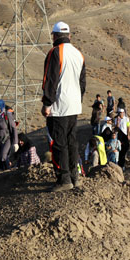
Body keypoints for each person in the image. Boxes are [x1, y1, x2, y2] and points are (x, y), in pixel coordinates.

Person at [41, 21, 86, 192]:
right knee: (71, 140)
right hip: (74, 104)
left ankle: (64, 178)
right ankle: (75, 176)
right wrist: (77, 99)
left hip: (59, 105)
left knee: (58, 142)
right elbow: (82, 83)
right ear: (69, 36)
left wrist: (47, 103)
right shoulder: (78, 54)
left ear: (54, 36)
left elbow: (50, 80)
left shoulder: (55, 52)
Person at [0, 100, 18, 171]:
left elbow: (13, 128)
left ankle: (8, 170)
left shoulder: (7, 115)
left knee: (3, 155)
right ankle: (2, 173)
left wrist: (15, 142)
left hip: (7, 139)